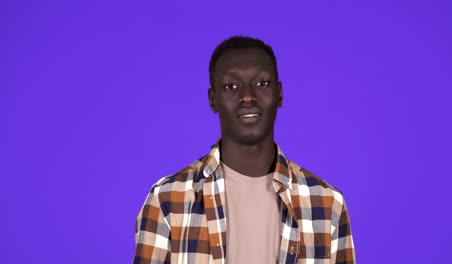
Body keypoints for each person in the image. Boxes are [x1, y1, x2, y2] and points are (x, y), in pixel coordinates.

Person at [133, 36, 355, 264]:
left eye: (262, 84)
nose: (248, 96)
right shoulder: (167, 199)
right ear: (213, 100)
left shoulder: (327, 203)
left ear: (279, 93)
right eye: (231, 86)